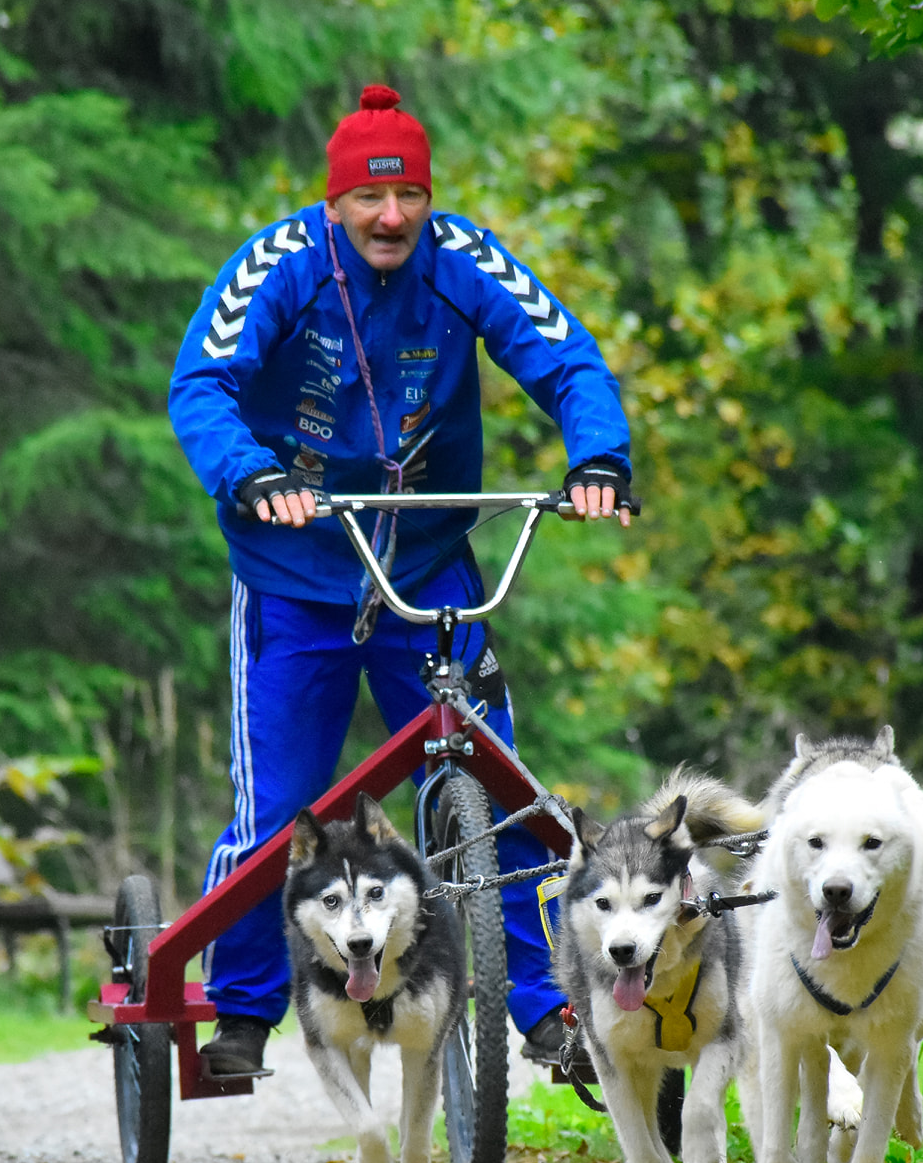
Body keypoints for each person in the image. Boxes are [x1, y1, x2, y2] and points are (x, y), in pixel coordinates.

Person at [168, 84, 635, 1078]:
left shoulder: (461, 260)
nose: (390, 217)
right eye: (369, 200)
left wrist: (597, 457)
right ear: (334, 203)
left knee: (495, 784)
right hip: (294, 572)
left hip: (425, 571)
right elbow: (200, 385)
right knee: (281, 807)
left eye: (409, 196)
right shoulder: (279, 265)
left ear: (425, 199)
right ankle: (245, 1010)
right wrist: (248, 474)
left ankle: (542, 1009)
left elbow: (564, 359)